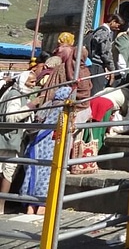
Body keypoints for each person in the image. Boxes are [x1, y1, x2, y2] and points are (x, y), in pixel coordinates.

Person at [20, 85, 73, 215]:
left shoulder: (47, 104)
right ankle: (41, 209)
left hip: (35, 145)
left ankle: (30, 209)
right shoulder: (64, 109)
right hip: (50, 146)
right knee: (47, 176)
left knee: (33, 174)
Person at [0, 70, 39, 214]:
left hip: (13, 139)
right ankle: (1, 207)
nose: (34, 85)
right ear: (23, 82)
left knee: (8, 172)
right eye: (31, 82)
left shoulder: (21, 95)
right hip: (9, 140)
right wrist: (31, 106)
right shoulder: (15, 95)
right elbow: (10, 117)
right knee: (7, 172)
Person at [89, 13, 124, 86]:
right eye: (118, 25)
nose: (118, 28)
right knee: (97, 90)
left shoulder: (99, 30)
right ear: (113, 21)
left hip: (95, 64)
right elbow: (106, 53)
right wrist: (112, 69)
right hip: (98, 66)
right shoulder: (104, 33)